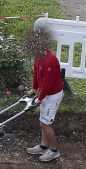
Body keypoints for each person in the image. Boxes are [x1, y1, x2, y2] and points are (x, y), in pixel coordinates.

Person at [23, 28, 64, 162]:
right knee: (43, 121)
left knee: (45, 124)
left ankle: (53, 150)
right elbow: (36, 74)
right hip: (45, 94)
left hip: (52, 95)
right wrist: (33, 89)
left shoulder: (50, 61)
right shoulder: (39, 56)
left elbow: (47, 83)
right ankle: (43, 146)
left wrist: (39, 98)